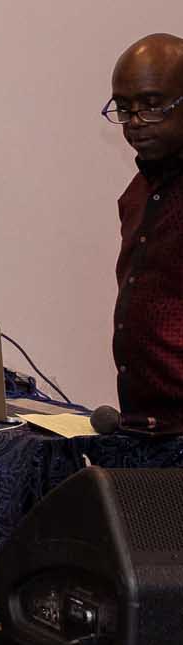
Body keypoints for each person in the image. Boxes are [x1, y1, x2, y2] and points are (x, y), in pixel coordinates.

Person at [107, 33, 183, 426]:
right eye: (124, 108)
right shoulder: (137, 194)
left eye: (151, 106)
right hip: (145, 427)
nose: (135, 122)